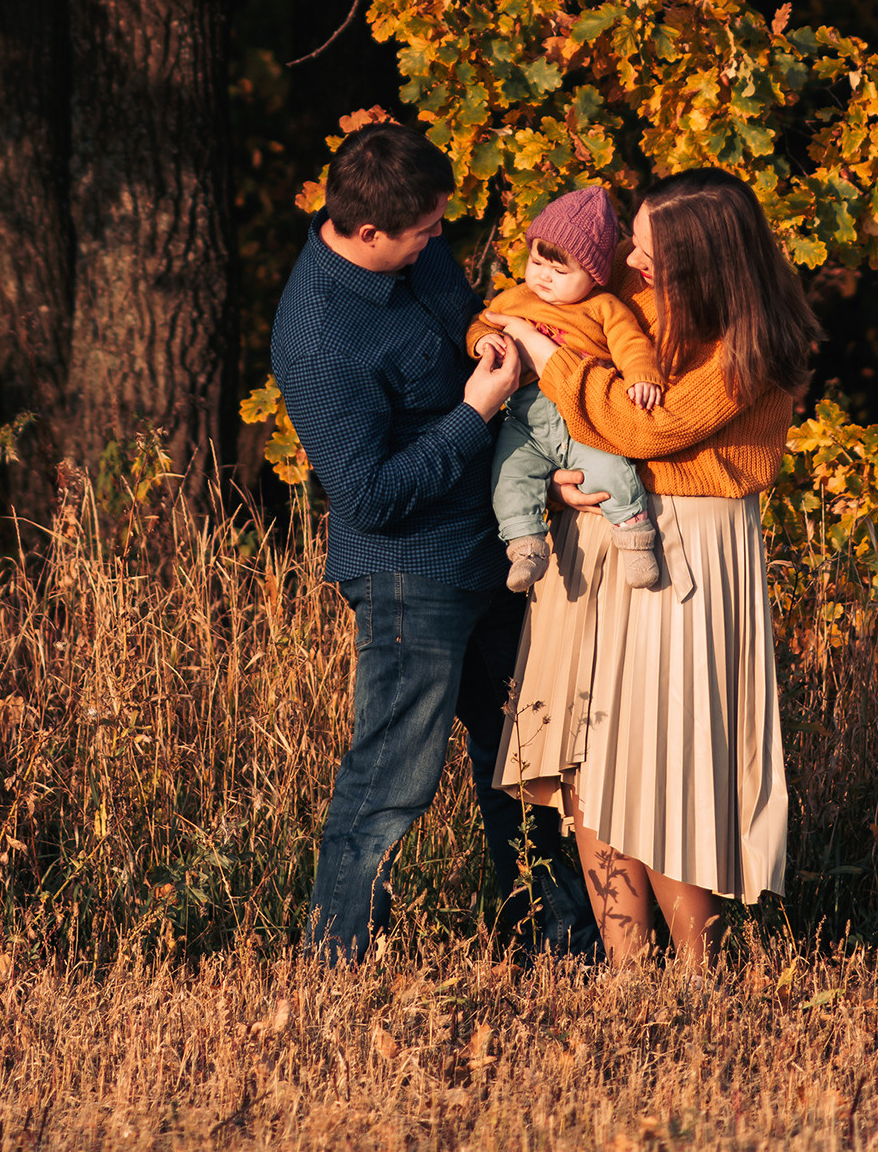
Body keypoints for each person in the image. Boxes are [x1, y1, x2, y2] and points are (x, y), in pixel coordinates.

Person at [270, 119, 602, 964]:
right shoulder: (316, 336)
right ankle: (336, 957)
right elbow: (370, 496)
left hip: (497, 542)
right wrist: (475, 409)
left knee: (525, 759)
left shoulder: (417, 249)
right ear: (368, 230)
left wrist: (484, 346)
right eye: (424, 232)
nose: (438, 243)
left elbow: (461, 315)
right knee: (392, 776)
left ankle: (562, 947)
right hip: (408, 569)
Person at [489, 168, 817, 969]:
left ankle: (699, 975)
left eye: (648, 251)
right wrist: (563, 486)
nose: (631, 263)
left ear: (704, 261)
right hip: (611, 536)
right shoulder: (643, 307)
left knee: (669, 761)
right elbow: (590, 423)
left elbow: (652, 428)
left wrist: (549, 356)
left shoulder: (753, 347)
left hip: (692, 554)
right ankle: (629, 973)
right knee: (596, 759)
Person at [467, 186, 666, 595]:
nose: (542, 276)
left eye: (559, 271)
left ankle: (635, 540)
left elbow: (632, 344)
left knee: (611, 471)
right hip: (525, 419)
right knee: (508, 472)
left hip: (582, 420)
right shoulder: (517, 299)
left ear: (593, 275)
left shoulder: (603, 307)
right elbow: (483, 321)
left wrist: (642, 375)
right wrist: (483, 341)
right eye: (536, 261)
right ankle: (525, 546)